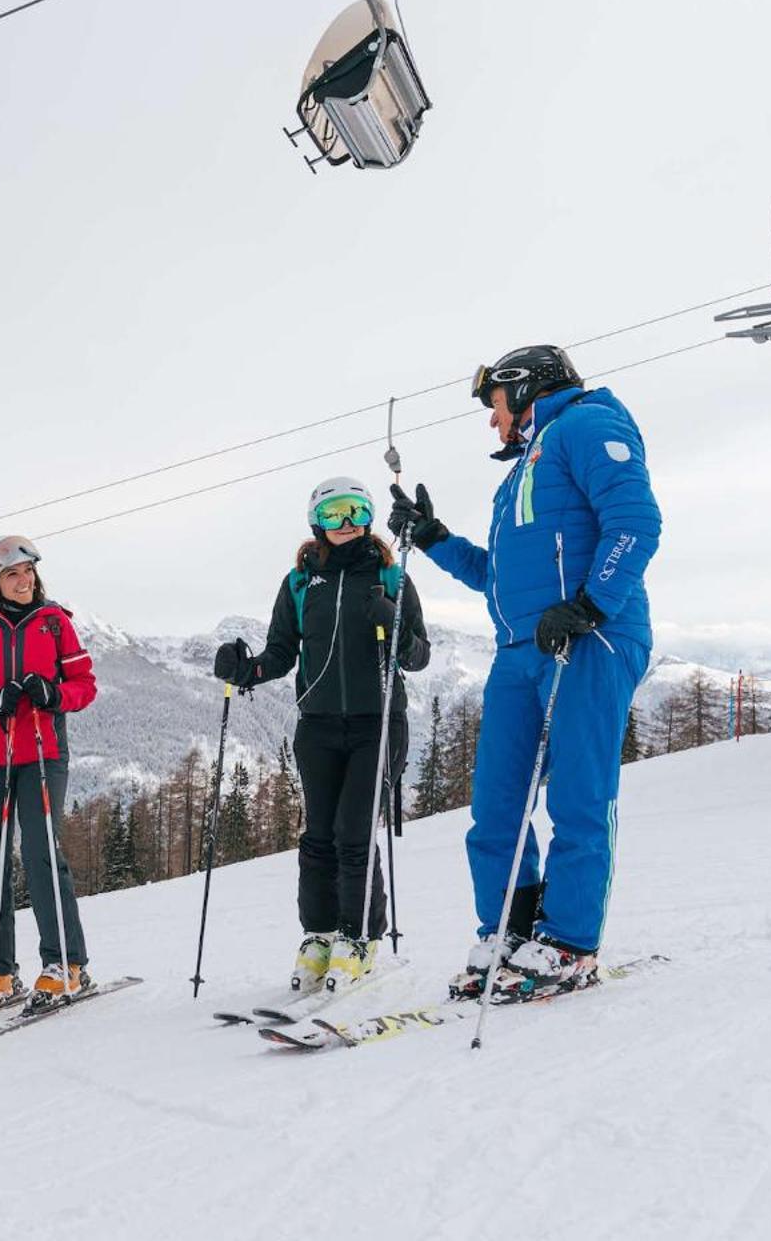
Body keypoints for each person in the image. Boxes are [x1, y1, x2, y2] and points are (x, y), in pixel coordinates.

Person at [389, 344, 660, 997]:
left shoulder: (588, 424)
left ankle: (568, 942)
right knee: (495, 804)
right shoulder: (519, 474)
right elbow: (496, 576)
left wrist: (591, 604)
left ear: (526, 387)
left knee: (578, 795)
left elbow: (637, 521)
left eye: (494, 405)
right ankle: (510, 932)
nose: (492, 421)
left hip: (589, 638)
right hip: (520, 648)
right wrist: (432, 537)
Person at [213, 477, 431, 996]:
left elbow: (419, 656)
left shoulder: (391, 577)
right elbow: (282, 652)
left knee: (353, 835)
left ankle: (359, 938)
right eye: (334, 514)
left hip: (379, 723)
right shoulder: (298, 582)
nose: (347, 522)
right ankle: (320, 934)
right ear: (317, 522)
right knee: (318, 839)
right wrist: (246, 671)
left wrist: (392, 622)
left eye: (357, 511)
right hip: (317, 726)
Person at [0, 535, 99, 1017]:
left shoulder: (55, 625)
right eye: (12, 574)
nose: (24, 580)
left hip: (42, 753)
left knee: (41, 855)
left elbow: (84, 685)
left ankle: (66, 963)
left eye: (28, 571)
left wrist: (52, 694)